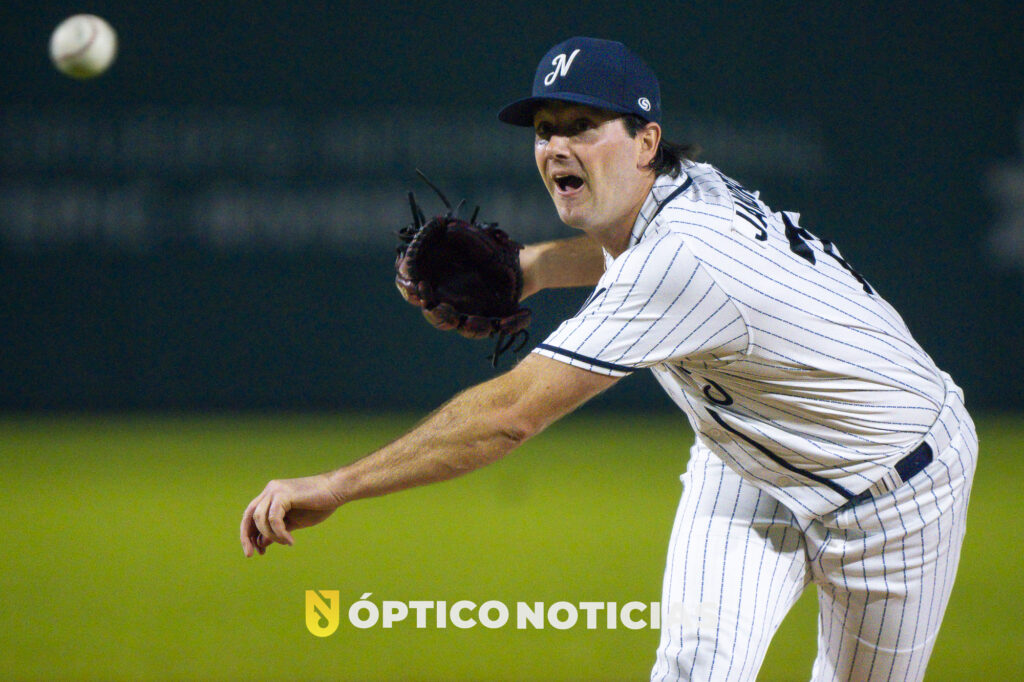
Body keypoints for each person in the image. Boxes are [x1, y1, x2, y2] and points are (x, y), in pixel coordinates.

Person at [240, 36, 977, 681]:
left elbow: (509, 415)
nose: (556, 147)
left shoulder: (683, 258)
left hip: (897, 489)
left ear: (646, 142)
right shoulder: (684, 189)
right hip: (749, 466)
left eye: (583, 126)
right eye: (545, 130)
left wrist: (337, 485)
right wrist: (531, 268)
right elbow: (624, 256)